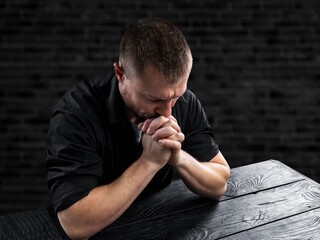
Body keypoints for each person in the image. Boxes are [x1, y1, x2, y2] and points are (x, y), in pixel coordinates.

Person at [46, 17, 230, 240]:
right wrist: (149, 162)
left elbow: (220, 181)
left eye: (176, 97)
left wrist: (178, 157)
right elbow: (75, 224)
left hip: (160, 224)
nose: (167, 113)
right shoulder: (75, 115)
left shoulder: (184, 102)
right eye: (154, 99)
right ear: (121, 75)